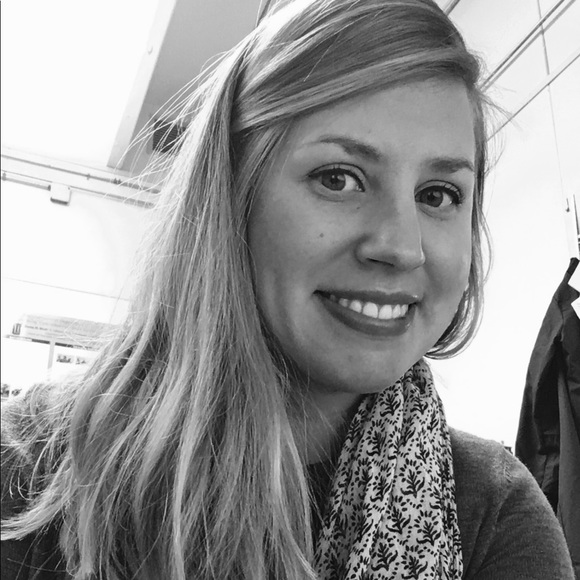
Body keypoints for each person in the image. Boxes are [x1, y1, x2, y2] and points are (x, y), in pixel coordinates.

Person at [1, 1, 575, 579]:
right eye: (339, 178)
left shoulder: (495, 514)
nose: (403, 247)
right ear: (230, 196)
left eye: (437, 195)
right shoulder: (27, 468)